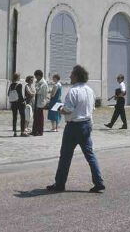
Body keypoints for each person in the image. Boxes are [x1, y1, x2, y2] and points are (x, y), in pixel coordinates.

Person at [47, 65, 105, 193]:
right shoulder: (90, 90)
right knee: (90, 155)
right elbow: (92, 108)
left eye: (72, 75)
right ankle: (99, 181)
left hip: (74, 126)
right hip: (87, 124)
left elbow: (68, 110)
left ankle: (60, 183)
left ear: (77, 76)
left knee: (65, 156)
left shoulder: (73, 91)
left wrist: (60, 109)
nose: (70, 77)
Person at [31, 70, 48, 136]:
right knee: (36, 116)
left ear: (39, 76)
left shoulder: (43, 83)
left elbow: (38, 91)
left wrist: (34, 89)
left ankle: (39, 131)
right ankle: (34, 130)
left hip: (40, 101)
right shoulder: (38, 82)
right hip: (37, 100)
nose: (35, 78)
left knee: (39, 117)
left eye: (36, 76)